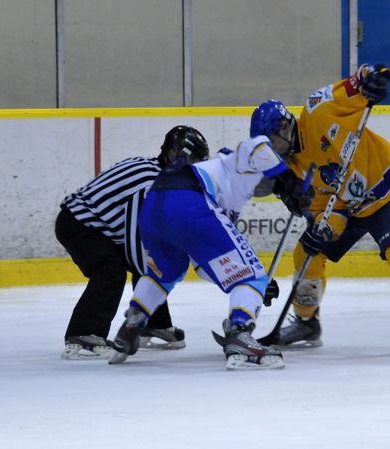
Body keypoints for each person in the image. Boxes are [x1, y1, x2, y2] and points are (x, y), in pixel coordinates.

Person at [250, 64, 390, 354]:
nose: (271, 150)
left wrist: (373, 77)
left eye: (271, 142)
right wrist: (325, 229)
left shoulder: (318, 111)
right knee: (307, 251)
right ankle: (307, 322)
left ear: (285, 126)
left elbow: (352, 86)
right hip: (349, 207)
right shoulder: (294, 169)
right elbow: (327, 210)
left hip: (388, 190)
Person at [108, 130, 311, 370]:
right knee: (253, 275)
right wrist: (290, 181)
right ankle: (240, 334)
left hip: (154, 206)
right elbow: (258, 145)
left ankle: (132, 323)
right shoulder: (233, 161)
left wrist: (242, 288)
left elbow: (207, 264)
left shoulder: (220, 189)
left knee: (165, 273)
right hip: (188, 200)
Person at [55, 126, 208, 360]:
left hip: (96, 225)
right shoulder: (150, 184)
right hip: (79, 225)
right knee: (112, 271)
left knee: (149, 262)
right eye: (190, 160)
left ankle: (154, 323)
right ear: (173, 153)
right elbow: (137, 241)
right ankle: (84, 333)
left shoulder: (155, 172)